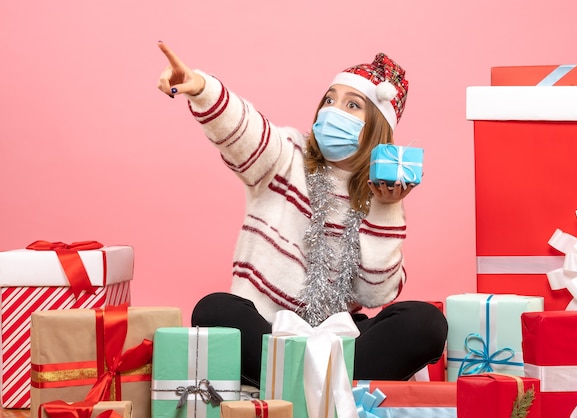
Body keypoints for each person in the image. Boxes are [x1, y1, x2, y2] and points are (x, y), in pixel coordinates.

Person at [156, 41, 448, 388]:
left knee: (426, 321)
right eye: (329, 100)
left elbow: (376, 296)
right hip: (267, 331)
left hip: (338, 339)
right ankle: (327, 388)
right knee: (215, 309)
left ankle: (299, 384)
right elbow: (246, 131)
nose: (332, 112)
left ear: (377, 129)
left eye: (352, 105)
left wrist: (386, 209)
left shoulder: (378, 193)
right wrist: (204, 90)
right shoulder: (286, 156)